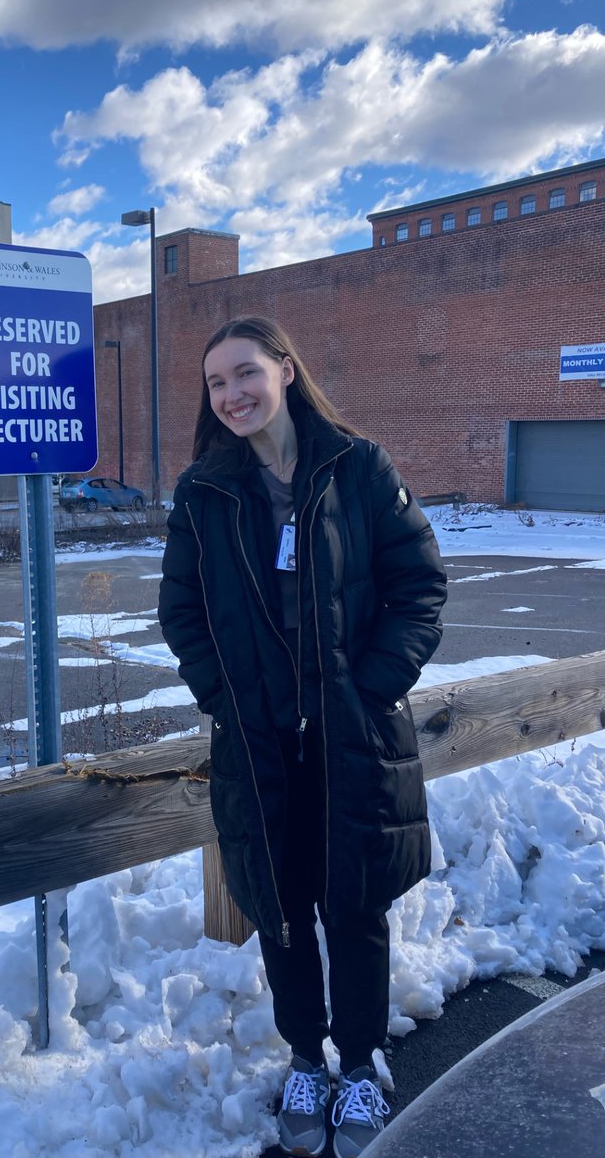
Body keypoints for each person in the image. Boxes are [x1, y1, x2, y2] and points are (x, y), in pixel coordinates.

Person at [158, 317, 447, 1157]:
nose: (232, 394)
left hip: (350, 740)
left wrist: (374, 687)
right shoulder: (204, 491)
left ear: (285, 370)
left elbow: (418, 584)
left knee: (354, 907)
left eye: (245, 373)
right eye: (216, 383)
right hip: (261, 746)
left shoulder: (357, 470)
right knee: (281, 911)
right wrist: (227, 700)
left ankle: (358, 1065)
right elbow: (181, 613)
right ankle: (305, 1059)